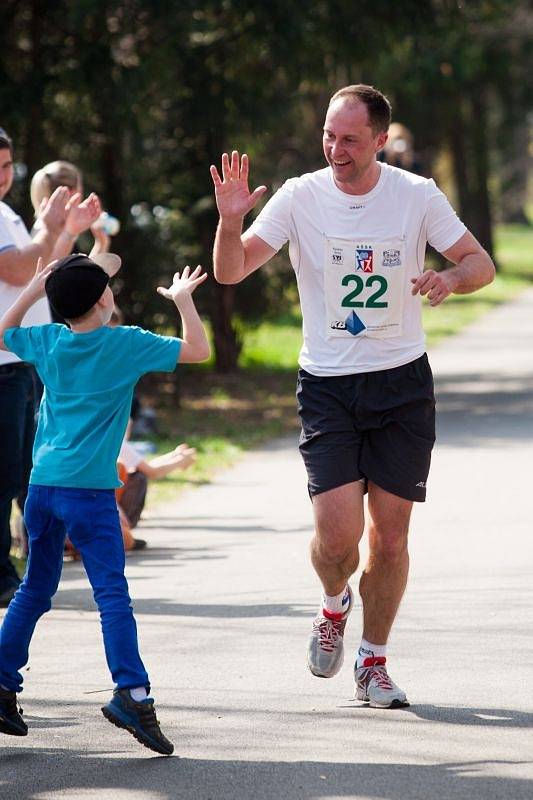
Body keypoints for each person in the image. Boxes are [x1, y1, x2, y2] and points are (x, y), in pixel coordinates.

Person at [210, 84, 495, 708]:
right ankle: (335, 603)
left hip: (401, 383)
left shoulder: (416, 195)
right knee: (338, 540)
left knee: (390, 538)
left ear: (380, 141)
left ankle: (373, 660)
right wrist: (230, 222)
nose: (336, 149)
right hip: (329, 386)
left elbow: (481, 263)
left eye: (350, 140)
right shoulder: (300, 196)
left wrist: (448, 276)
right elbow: (231, 271)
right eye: (329, 136)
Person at [0, 252, 209, 753]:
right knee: (111, 594)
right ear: (103, 300)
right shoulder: (126, 343)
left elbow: (6, 331)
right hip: (90, 493)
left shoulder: (49, 340)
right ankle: (132, 693)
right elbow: (198, 350)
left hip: (43, 487)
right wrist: (183, 301)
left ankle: (3, 682)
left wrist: (32, 290)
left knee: (35, 588)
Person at [0, 127, 71, 607]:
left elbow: (43, 266)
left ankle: (18, 567)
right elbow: (18, 270)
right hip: (3, 365)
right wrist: (49, 228)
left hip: (20, 364)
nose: (2, 177)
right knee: (5, 475)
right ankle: (3, 572)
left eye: (7, 166)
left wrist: (63, 231)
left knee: (22, 471)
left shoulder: (6, 213)